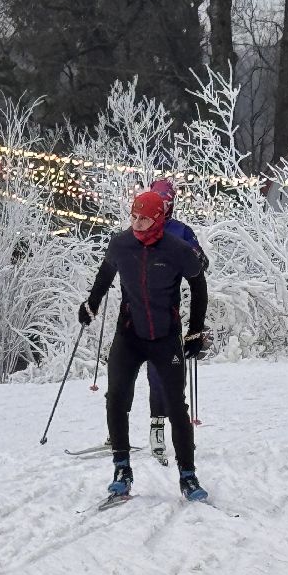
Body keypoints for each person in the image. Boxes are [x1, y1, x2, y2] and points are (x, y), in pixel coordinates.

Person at [81, 189, 210, 501]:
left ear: (158, 219)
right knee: (116, 398)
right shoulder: (121, 244)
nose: (137, 223)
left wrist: (195, 331)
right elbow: (105, 274)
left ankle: (188, 475)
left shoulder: (176, 249)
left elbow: (198, 284)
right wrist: (91, 304)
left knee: (176, 406)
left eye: (144, 219)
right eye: (133, 216)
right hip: (130, 334)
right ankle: (122, 470)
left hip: (166, 336)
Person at [143, 178, 208, 463]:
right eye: (158, 202)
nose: (162, 208)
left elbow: (201, 264)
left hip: (169, 313)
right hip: (138, 313)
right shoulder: (140, 228)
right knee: (132, 375)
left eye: (166, 203)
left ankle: (177, 432)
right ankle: (151, 430)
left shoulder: (180, 230)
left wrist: (192, 255)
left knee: (171, 374)